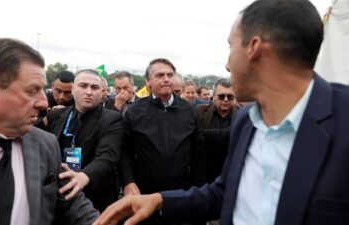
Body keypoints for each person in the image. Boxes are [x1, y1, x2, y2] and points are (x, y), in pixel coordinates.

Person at [92, 1, 349, 225]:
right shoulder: (246, 122)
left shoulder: (343, 118)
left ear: (254, 48)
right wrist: (159, 201)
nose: (227, 64)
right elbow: (225, 193)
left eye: (230, 47)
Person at [0, 37, 98, 225]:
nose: (44, 103)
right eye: (32, 90)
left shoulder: (46, 145)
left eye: (42, 90)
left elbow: (73, 207)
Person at [119, 58, 206, 225]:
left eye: (169, 75)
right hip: (145, 191)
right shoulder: (135, 111)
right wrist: (128, 182)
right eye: (160, 75)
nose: (166, 79)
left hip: (181, 191)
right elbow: (124, 151)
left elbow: (198, 152)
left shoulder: (188, 110)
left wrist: (199, 189)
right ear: (148, 81)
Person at [37, 69, 123, 212]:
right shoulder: (57, 115)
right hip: (58, 194)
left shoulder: (112, 119)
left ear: (102, 91)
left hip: (93, 197)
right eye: (83, 86)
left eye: (94, 87)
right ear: (73, 88)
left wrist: (84, 176)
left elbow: (108, 156)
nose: (88, 92)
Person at [196, 78, 238, 183]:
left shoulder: (241, 115)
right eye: (221, 96)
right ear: (214, 96)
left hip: (230, 175)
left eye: (230, 96)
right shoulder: (199, 112)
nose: (225, 99)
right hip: (204, 174)